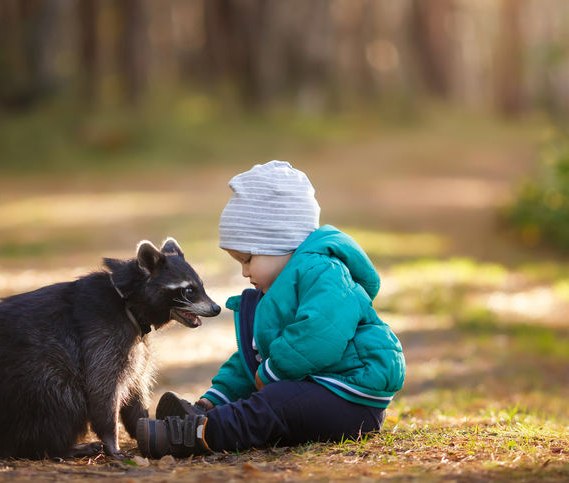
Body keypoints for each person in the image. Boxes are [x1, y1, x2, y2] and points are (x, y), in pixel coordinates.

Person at [136, 160, 405, 458]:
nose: (244, 272)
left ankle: (196, 434)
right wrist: (217, 394)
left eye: (248, 259)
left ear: (280, 242)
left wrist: (275, 370)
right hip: (318, 389)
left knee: (274, 403)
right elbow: (251, 358)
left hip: (350, 397)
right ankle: (205, 412)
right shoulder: (272, 295)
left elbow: (320, 334)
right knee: (273, 397)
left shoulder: (324, 272)